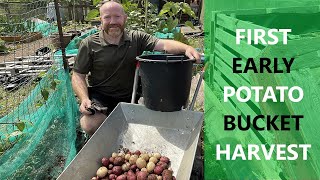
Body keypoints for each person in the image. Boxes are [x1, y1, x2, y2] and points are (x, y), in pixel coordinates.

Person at [72, 0, 201, 136]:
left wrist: (187, 48)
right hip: (101, 96)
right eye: (107, 17)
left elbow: (163, 44)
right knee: (90, 124)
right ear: (100, 20)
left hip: (132, 94)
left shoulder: (136, 38)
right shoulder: (89, 44)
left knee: (157, 119)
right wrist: (84, 99)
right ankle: (111, 138)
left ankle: (123, 136)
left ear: (125, 18)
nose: (113, 21)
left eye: (117, 16)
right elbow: (78, 75)